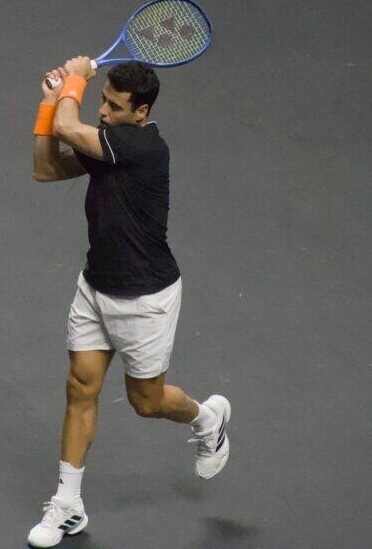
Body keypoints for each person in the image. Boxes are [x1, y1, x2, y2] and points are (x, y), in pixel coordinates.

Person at [25, 56, 231, 548]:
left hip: (146, 299)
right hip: (96, 287)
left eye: (115, 107)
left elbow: (70, 128)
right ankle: (68, 504)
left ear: (141, 113)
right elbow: (45, 168)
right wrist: (47, 106)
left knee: (147, 402)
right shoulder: (112, 138)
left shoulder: (143, 147)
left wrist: (74, 79)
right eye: (102, 100)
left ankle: (208, 419)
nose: (104, 111)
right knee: (81, 386)